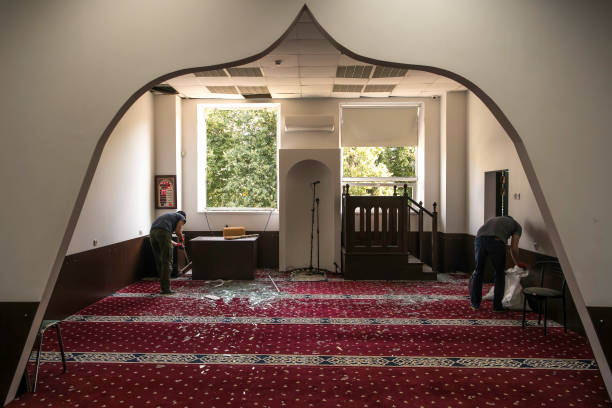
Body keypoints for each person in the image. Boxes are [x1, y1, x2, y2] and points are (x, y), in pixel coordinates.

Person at [470, 215, 522, 312]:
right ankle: (497, 306)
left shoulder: (493, 219)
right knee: (499, 274)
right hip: (496, 241)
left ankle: (475, 304)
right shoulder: (516, 225)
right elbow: (514, 247)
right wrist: (518, 263)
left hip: (479, 239)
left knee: (478, 272)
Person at [150, 210, 186, 294]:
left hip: (152, 233)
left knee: (160, 261)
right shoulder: (182, 217)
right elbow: (177, 232)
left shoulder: (168, 217)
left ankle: (162, 286)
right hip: (163, 234)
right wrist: (181, 238)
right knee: (167, 261)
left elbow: (166, 239)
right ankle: (166, 289)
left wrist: (178, 244)